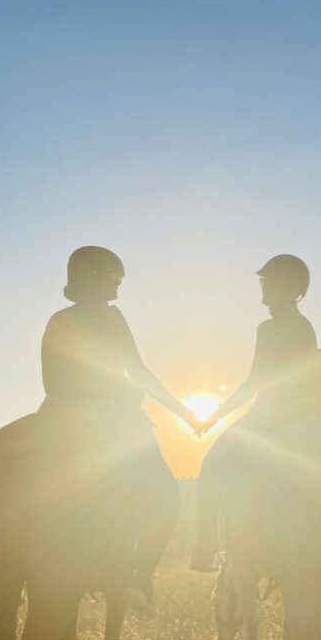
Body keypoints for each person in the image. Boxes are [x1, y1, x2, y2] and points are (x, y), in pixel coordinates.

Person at [40, 246, 199, 612]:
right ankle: (139, 577)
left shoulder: (58, 320)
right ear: (91, 277)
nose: (118, 285)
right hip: (110, 421)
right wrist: (181, 412)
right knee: (166, 498)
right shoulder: (112, 320)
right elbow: (138, 371)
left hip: (61, 417)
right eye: (113, 277)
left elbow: (51, 382)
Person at [191, 254, 321, 572]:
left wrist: (216, 416)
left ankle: (207, 546)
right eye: (263, 280)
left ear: (285, 286)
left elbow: (256, 380)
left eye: (267, 281)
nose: (263, 286)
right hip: (307, 411)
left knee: (212, 462)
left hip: (273, 414)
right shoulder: (304, 325)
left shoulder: (268, 328)